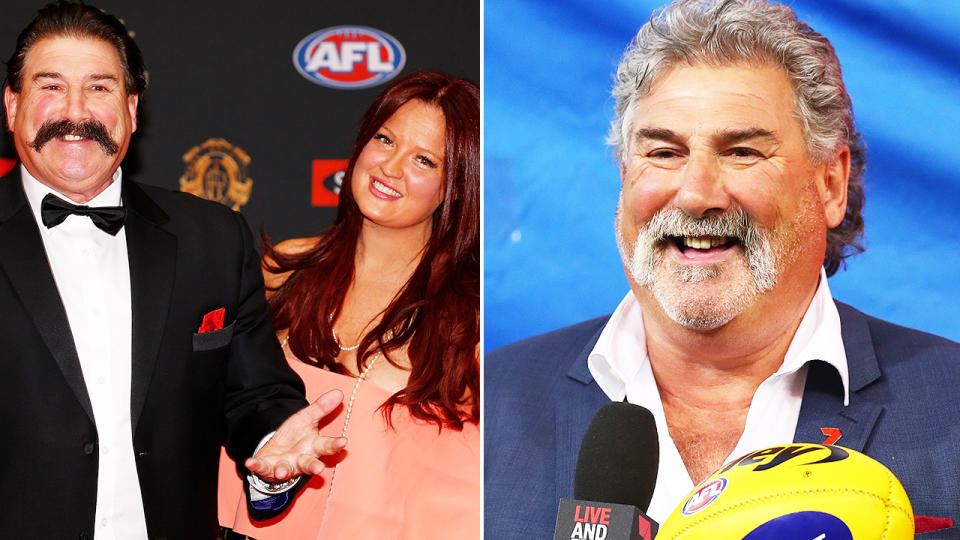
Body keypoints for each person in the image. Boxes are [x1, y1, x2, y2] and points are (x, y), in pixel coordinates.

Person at [484, 0, 960, 537]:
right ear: (623, 176)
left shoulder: (952, 404)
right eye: (663, 152)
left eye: (742, 152)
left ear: (830, 183)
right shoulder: (485, 405)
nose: (694, 195)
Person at [0, 3, 348, 538]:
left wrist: (272, 451)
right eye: (50, 86)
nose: (75, 111)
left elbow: (254, 397)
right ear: (12, 105)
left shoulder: (211, 237)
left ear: (132, 109)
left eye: (99, 87)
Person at [218, 71, 481, 539]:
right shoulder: (285, 270)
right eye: (384, 139)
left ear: (455, 186)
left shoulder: (471, 318)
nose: (390, 167)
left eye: (423, 159)